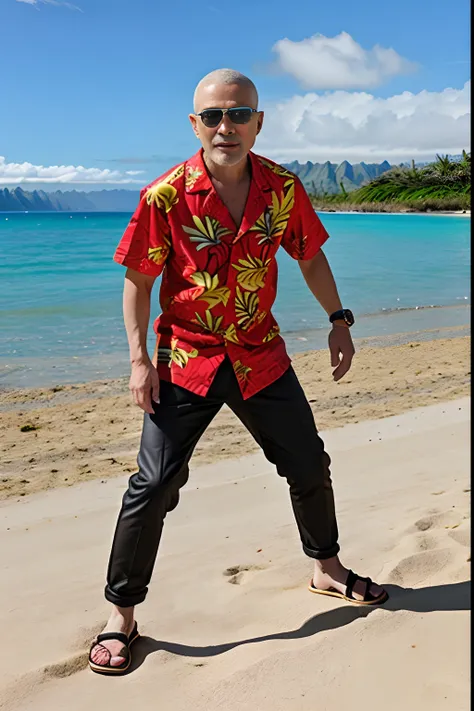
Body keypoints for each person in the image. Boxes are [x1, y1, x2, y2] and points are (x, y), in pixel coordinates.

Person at [88, 68, 388, 675]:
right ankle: (122, 613)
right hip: (186, 360)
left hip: (260, 353)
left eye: (239, 114)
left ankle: (325, 567)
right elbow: (139, 280)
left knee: (308, 461)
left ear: (258, 120)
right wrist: (139, 360)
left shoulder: (282, 187)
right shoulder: (164, 196)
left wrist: (338, 320)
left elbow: (310, 255)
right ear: (194, 124)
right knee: (154, 485)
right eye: (213, 116)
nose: (226, 127)